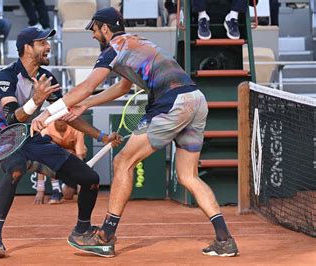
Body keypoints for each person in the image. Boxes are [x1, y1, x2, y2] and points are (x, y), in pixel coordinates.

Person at [31, 7, 239, 258]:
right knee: (188, 176)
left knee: (122, 162)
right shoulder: (138, 43)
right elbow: (122, 88)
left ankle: (105, 236)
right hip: (196, 99)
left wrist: (47, 113)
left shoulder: (114, 49)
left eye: (95, 30)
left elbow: (87, 86)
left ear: (105, 28)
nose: (93, 36)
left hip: (171, 103)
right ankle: (224, 239)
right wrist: (87, 104)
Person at [0, 26, 121, 258]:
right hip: (5, 140)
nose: (48, 46)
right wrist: (36, 101)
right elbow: (11, 118)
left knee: (90, 179)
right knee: (16, 169)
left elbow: (66, 113)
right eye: (42, 42)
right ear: (27, 48)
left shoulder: (47, 78)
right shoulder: (5, 77)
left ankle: (82, 229)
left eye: (48, 42)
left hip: (33, 139)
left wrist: (100, 136)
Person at [34, 120, 86, 204]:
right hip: (55, 156)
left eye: (62, 114)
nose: (60, 118)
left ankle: (74, 183)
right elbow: (42, 159)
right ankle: (56, 190)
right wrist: (40, 189)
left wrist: (81, 183)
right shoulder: (45, 130)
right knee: (50, 155)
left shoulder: (77, 128)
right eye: (58, 115)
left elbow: (80, 156)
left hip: (74, 157)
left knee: (68, 195)